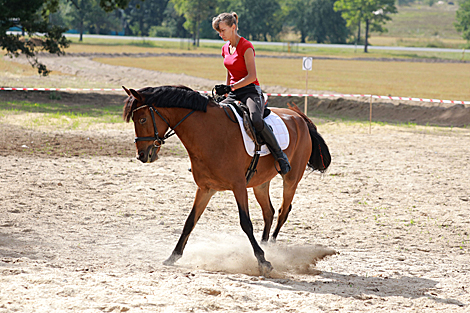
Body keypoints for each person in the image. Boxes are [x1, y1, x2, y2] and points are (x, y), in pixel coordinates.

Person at [212, 12, 291, 175]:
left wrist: (231, 88)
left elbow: (252, 76)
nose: (220, 34)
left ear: (233, 27)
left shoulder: (246, 46)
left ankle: (280, 156)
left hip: (250, 91)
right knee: (215, 116)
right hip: (233, 92)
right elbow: (229, 71)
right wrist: (226, 91)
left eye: (222, 30)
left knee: (256, 119)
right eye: (219, 32)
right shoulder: (225, 48)